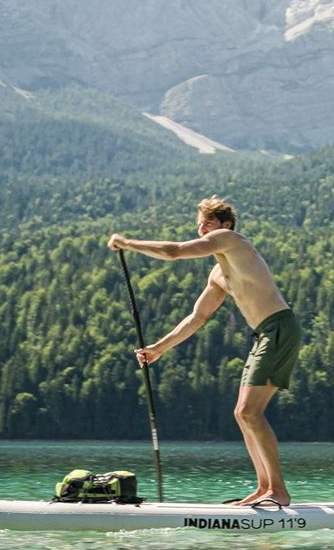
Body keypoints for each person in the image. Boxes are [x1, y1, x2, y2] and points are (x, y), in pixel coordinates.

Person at [109, 197, 302, 506]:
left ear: (224, 226)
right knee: (243, 414)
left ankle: (278, 491)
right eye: (200, 224)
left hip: (279, 329)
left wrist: (127, 243)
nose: (202, 229)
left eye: (208, 223)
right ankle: (264, 488)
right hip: (263, 335)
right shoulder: (218, 275)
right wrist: (159, 348)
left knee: (249, 412)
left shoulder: (230, 240)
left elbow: (173, 252)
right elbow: (198, 317)